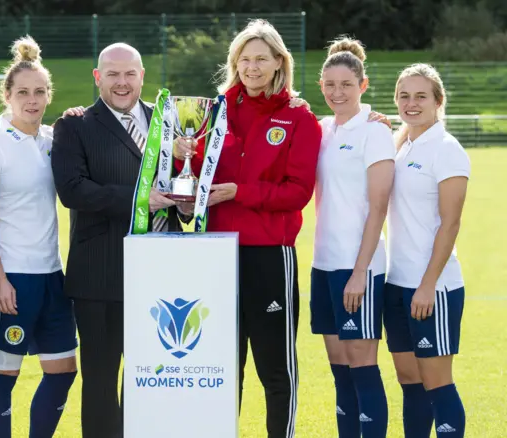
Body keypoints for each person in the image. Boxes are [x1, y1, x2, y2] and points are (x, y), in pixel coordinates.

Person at [174, 19, 322, 438]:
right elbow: (197, 179)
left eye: (261, 58)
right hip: (215, 251)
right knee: (222, 366)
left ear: (279, 62)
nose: (252, 67)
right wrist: (184, 156)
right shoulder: (213, 111)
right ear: (234, 61)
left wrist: (239, 192)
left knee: (275, 367)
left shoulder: (298, 117)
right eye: (245, 58)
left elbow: (297, 192)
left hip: (269, 254)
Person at [50, 42, 185, 438]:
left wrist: (188, 204)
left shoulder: (167, 122)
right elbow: (73, 190)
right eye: (112, 74)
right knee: (100, 382)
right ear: (98, 77)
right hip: (101, 275)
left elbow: (180, 182)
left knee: (151, 379)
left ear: (142, 76)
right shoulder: (74, 125)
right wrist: (139, 199)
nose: (122, 82)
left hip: (162, 275)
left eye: (130, 74)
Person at [0, 36, 78, 438]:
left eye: (39, 92)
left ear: (48, 95)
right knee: (3, 375)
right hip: (11, 278)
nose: (32, 100)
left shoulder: (56, 140)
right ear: (7, 96)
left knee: (63, 372)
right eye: (23, 93)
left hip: (53, 276)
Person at [309, 37, 395, 438]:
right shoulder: (321, 129)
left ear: (363, 85)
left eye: (346, 85)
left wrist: (360, 272)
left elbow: (378, 207)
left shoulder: (374, 132)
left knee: (362, 363)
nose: (336, 93)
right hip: (322, 263)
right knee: (339, 367)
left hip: (358, 266)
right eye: (329, 84)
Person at [384, 63, 469, 438]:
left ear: (438, 102)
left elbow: (450, 224)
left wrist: (427, 284)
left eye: (421, 96)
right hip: (396, 283)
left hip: (432, 287)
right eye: (404, 95)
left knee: (437, 382)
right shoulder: (402, 146)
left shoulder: (447, 149)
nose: (411, 103)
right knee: (409, 379)